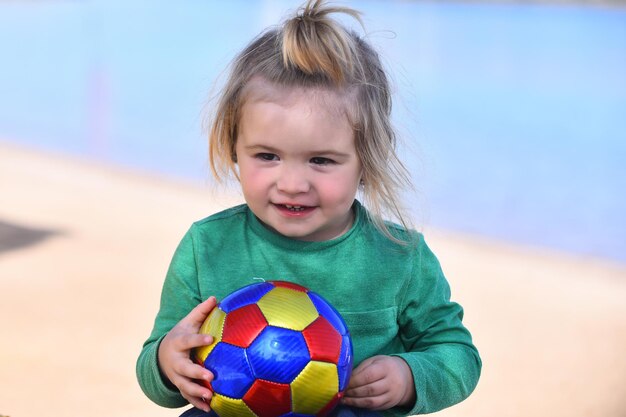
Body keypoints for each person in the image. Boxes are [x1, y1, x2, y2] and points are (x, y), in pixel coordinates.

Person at [136, 1, 481, 416]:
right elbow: (156, 366)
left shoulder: (399, 258)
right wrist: (167, 362)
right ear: (233, 149)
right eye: (267, 156)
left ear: (366, 160)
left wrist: (409, 376)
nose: (293, 184)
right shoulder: (207, 247)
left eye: (321, 160)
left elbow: (458, 355)